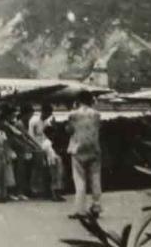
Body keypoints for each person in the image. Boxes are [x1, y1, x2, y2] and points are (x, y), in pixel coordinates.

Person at [66, 91, 103, 219]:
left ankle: (80, 209)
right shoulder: (97, 114)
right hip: (94, 148)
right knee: (95, 178)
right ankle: (96, 206)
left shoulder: (73, 114)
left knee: (80, 179)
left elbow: (69, 130)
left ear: (78, 100)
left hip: (78, 148)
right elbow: (98, 128)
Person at [27, 103, 64, 201]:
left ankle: (55, 190)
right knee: (39, 169)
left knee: (55, 164)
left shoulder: (46, 122)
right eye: (47, 113)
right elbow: (30, 136)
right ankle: (36, 190)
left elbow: (49, 135)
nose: (48, 116)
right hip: (36, 147)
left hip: (46, 146)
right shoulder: (34, 121)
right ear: (43, 112)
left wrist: (54, 126)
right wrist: (36, 147)